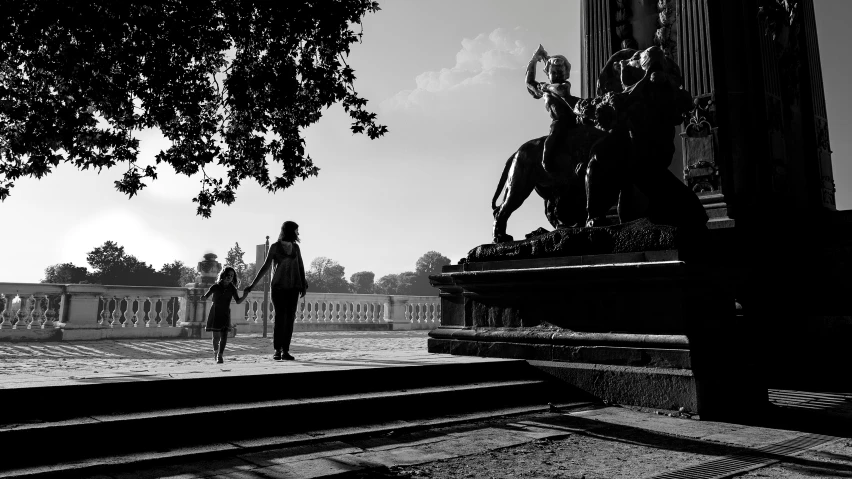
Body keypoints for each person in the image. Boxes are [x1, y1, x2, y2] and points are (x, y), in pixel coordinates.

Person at [245, 221, 307, 361]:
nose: (298, 233)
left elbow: (301, 267)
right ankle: (277, 350)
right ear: (291, 231)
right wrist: (252, 284)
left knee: (290, 320)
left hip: (293, 289)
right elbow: (265, 267)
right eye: (297, 230)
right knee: (280, 319)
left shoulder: (296, 248)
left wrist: (303, 285)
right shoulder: (275, 247)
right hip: (278, 288)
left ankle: (286, 350)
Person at [525, 44, 580, 177]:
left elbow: (560, 90)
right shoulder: (545, 88)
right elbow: (529, 82)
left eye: (560, 72)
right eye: (553, 72)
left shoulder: (563, 85)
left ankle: (547, 162)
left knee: (555, 134)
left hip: (568, 121)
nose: (557, 75)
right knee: (554, 132)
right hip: (557, 121)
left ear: (565, 73)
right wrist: (533, 60)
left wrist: (546, 87)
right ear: (548, 74)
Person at [203, 266, 247, 364]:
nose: (229, 277)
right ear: (223, 275)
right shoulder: (215, 286)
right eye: (228, 275)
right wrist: (203, 298)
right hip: (215, 313)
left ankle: (220, 355)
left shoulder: (232, 288)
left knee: (224, 336)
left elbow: (238, 301)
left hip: (226, 313)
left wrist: (245, 295)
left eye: (232, 276)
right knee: (216, 338)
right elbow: (206, 296)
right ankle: (215, 351)